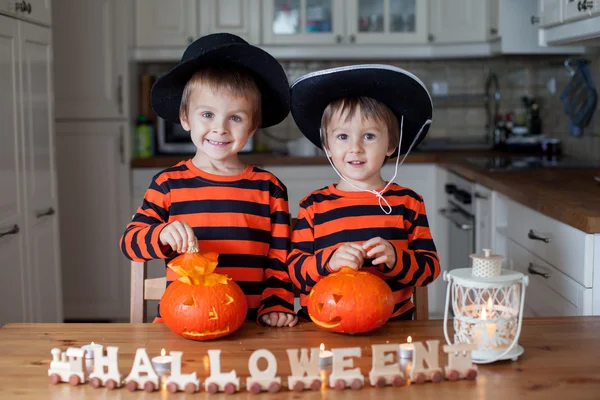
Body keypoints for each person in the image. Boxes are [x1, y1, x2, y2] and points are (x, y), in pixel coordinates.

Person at [121, 33, 297, 327]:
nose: (220, 129)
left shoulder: (269, 189)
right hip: (182, 324)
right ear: (186, 118)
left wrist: (276, 305)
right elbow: (130, 243)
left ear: (252, 127)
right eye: (207, 114)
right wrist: (161, 234)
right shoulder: (168, 183)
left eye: (236, 118)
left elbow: (280, 260)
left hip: (252, 326)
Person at [288, 64, 440, 321]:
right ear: (327, 145)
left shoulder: (408, 203)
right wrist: (330, 261)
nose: (355, 148)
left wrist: (395, 258)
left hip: (393, 327)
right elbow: (295, 271)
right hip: (323, 328)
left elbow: (430, 269)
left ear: (391, 144)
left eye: (369, 136)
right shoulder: (314, 206)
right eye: (343, 137)